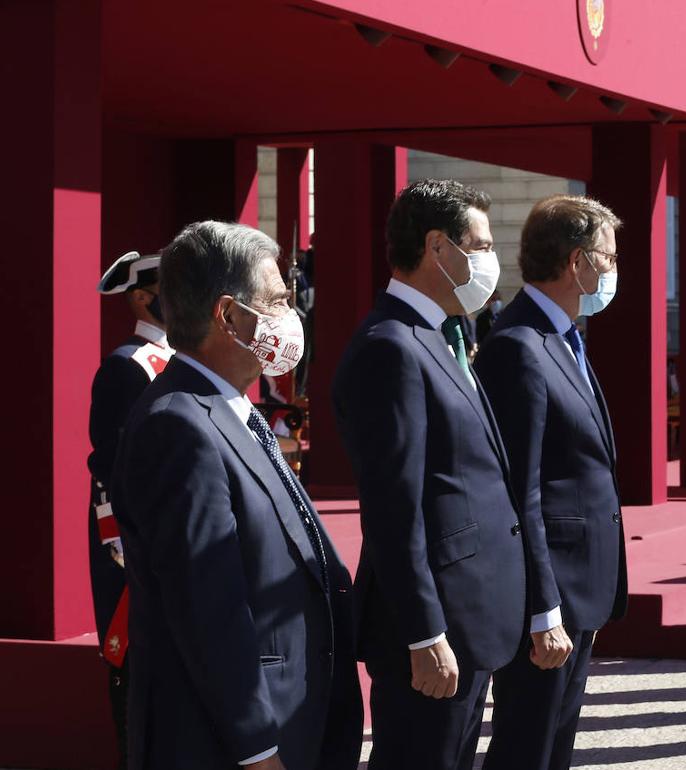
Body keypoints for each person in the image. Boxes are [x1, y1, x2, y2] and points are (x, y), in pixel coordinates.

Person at [332, 180, 569, 770]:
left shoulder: (439, 335)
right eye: (481, 244)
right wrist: (424, 633)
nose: (490, 260)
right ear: (438, 247)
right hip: (435, 632)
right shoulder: (392, 346)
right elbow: (394, 510)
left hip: (470, 621)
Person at [110, 221, 362, 770]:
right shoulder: (178, 423)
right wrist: (257, 744)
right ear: (228, 315)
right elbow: (207, 604)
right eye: (276, 300)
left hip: (294, 712)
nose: (290, 313)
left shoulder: (229, 409)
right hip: (229, 741)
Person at [474, 195, 628, 770]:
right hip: (551, 591)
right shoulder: (519, 345)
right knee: (528, 747)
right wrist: (544, 609)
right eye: (609, 258)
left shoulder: (561, 335)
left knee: (553, 746)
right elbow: (521, 490)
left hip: (578, 584)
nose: (614, 270)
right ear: (577, 261)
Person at [86, 250, 172, 767]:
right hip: (140, 557)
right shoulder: (127, 367)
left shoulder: (183, 360)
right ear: (143, 297)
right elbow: (112, 475)